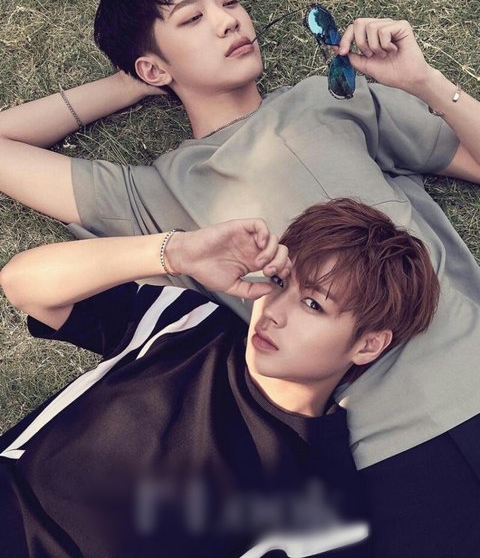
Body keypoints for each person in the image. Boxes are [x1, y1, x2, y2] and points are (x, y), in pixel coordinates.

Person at [0, 0, 479, 554]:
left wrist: (425, 81)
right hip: (388, 458)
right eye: (192, 18)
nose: (229, 21)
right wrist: (134, 83)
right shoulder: (153, 194)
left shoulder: (329, 100)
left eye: (229, 2)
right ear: (153, 64)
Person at [0, 199, 439, 558]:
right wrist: (176, 253)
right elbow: (22, 284)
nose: (274, 312)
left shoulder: (323, 506)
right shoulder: (189, 323)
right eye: (279, 283)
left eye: (312, 304)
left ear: (368, 345)